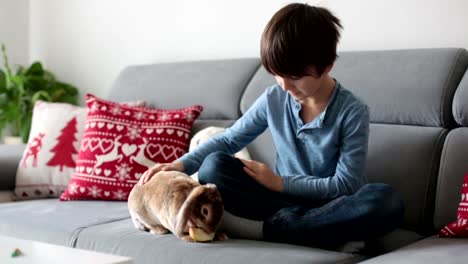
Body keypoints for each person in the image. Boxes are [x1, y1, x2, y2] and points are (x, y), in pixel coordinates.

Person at [139, 3, 404, 250]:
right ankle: (317, 232)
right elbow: (230, 140)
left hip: (330, 204)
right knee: (214, 165)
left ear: (326, 67)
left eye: (295, 77)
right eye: (277, 74)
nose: (285, 86)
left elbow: (345, 184)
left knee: (385, 200)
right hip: (278, 203)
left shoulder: (352, 111)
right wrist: (181, 165)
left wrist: (279, 183)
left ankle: (280, 230)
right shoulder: (274, 99)